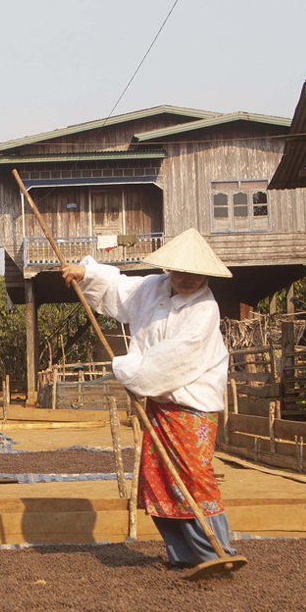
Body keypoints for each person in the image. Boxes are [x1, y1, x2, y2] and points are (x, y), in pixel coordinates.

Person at [60, 228, 237, 568]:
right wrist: (87, 273)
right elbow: (121, 289)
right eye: (180, 271)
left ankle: (218, 552)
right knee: (160, 477)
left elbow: (173, 359)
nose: (187, 278)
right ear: (169, 268)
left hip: (192, 405)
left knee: (193, 476)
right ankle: (185, 555)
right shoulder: (154, 286)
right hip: (161, 402)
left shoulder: (204, 310)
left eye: (195, 273)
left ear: (205, 274)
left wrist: (127, 369)